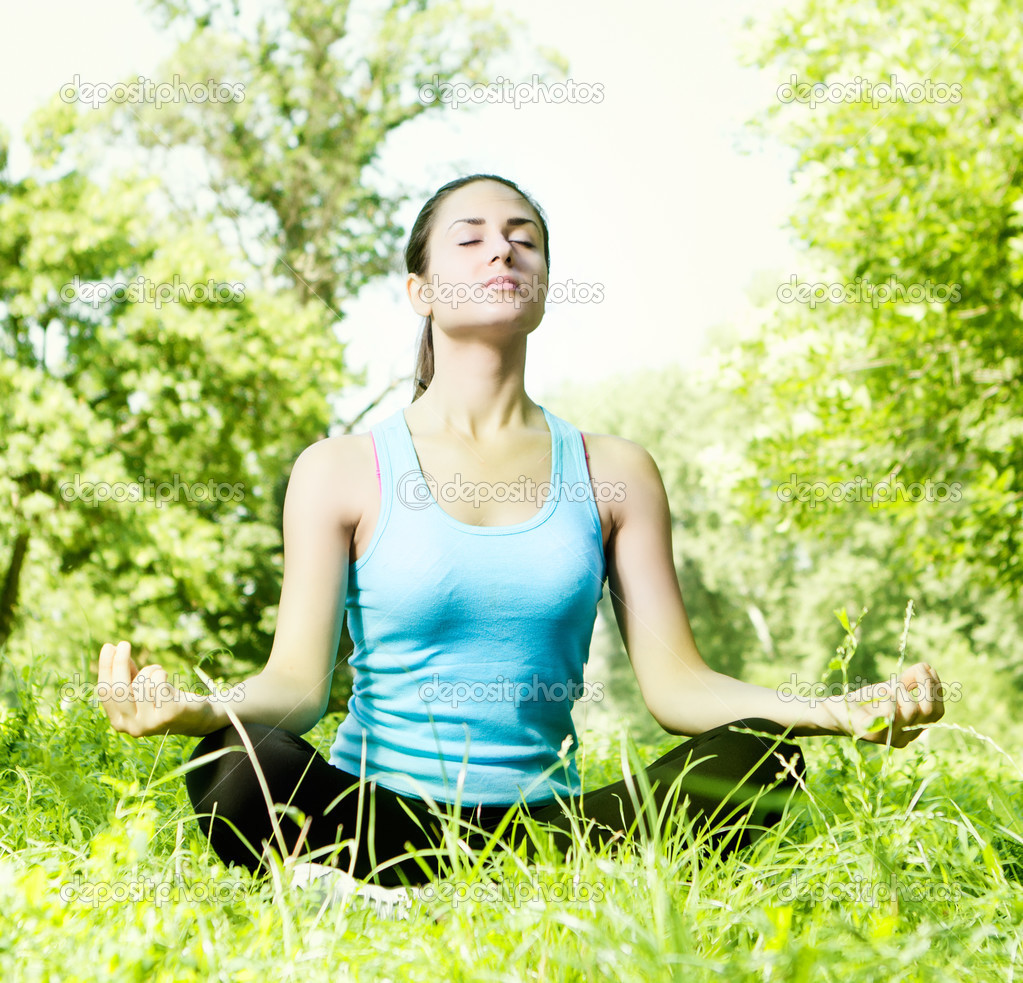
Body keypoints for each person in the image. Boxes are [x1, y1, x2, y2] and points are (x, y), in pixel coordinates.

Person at [95, 174, 946, 895]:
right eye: (469, 239)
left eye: (523, 238)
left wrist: (832, 712)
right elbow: (297, 686)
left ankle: (481, 888)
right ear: (420, 290)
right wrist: (204, 709)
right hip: (373, 814)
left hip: (553, 832)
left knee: (762, 755)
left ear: (541, 281)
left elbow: (678, 688)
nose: (502, 251)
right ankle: (365, 886)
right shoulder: (341, 467)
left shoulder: (615, 468)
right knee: (232, 762)